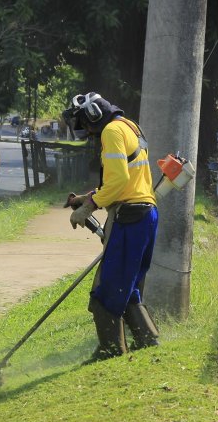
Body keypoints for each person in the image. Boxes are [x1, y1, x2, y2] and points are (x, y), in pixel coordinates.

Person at [63, 92, 160, 361]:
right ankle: (147, 339)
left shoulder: (111, 132)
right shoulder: (130, 126)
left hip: (129, 216)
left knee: (108, 287)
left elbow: (117, 181)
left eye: (84, 121)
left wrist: (88, 207)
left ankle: (111, 349)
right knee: (127, 285)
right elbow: (123, 179)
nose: (86, 129)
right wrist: (89, 196)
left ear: (93, 114)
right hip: (146, 213)